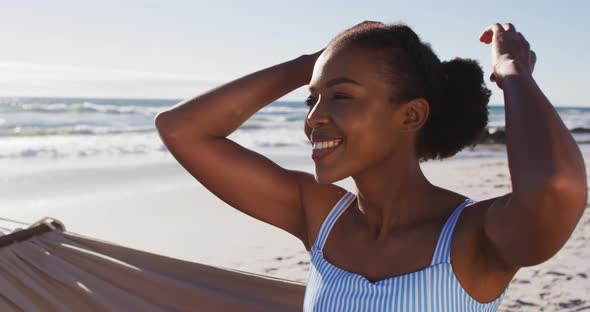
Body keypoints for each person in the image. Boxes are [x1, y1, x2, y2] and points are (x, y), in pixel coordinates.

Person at [154, 21, 587, 311]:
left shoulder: (475, 237)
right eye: (312, 99)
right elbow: (180, 130)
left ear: (411, 115)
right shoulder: (321, 216)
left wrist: (513, 72)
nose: (314, 117)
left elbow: (556, 185)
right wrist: (318, 62)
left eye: (340, 96)